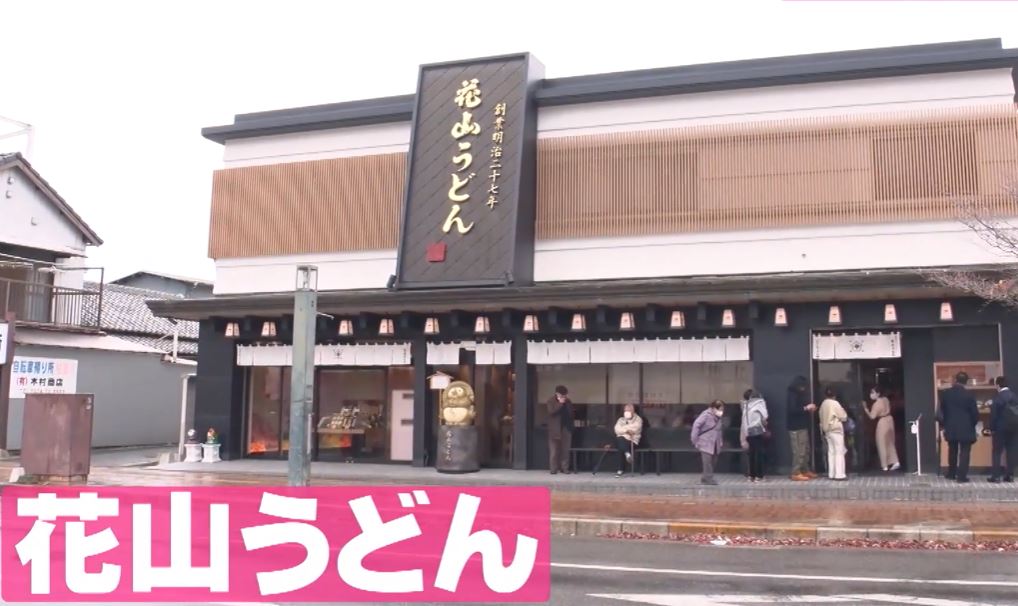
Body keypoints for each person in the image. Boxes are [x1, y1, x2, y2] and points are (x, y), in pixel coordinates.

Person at [938, 372, 980, 483]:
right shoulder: (969, 395)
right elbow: (975, 414)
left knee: (952, 450)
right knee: (965, 452)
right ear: (966, 382)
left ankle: (951, 473)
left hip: (950, 426)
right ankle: (961, 477)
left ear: (955, 380)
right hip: (966, 427)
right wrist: (972, 424)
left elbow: (941, 411)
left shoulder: (946, 394)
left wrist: (944, 424)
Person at [986, 376, 1018, 483]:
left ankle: (996, 476)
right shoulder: (1014, 396)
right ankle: (1010, 475)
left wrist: (991, 428)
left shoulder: (998, 397)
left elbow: (994, 415)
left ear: (998, 385)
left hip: (1000, 428)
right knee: (1011, 451)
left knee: (997, 452)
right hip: (1014, 427)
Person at [786, 376, 817, 481]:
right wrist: (806, 408)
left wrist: (808, 408)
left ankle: (804, 469)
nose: (804, 388)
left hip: (803, 425)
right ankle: (795, 472)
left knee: (805, 449)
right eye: (802, 386)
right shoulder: (792, 394)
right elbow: (792, 410)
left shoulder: (800, 394)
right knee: (798, 450)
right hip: (795, 427)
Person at [863, 385, 901, 472]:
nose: (871, 394)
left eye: (873, 392)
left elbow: (872, 416)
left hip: (882, 422)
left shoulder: (876, 404)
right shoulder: (886, 399)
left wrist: (866, 409)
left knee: (881, 443)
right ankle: (895, 461)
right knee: (890, 442)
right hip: (890, 420)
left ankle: (884, 465)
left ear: (878, 393)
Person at [692, 400, 726, 485]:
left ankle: (705, 477)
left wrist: (720, 442)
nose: (721, 411)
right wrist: (694, 439)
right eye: (720, 409)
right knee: (707, 462)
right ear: (714, 408)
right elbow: (696, 425)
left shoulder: (718, 418)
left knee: (714, 461)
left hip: (715, 443)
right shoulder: (706, 415)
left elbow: (719, 431)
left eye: (722, 409)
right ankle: (708, 478)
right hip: (705, 442)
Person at [819, 387, 848, 481]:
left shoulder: (823, 404)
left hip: (827, 431)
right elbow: (843, 416)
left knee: (831, 452)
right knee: (839, 452)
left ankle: (831, 473)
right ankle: (839, 474)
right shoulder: (835, 403)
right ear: (834, 395)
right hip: (836, 430)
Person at [742, 389, 769, 482]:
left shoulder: (746, 405)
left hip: (748, 431)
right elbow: (765, 416)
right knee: (759, 454)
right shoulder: (760, 404)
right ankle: (759, 476)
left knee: (752, 454)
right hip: (758, 430)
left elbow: (744, 420)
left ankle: (751, 475)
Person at [546, 385, 574, 475]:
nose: (564, 397)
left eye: (565, 395)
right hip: (555, 429)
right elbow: (551, 412)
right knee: (554, 451)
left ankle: (565, 468)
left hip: (566, 428)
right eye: (562, 395)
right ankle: (553, 469)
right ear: (557, 394)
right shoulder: (551, 401)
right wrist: (560, 404)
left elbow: (571, 413)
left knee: (565, 450)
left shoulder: (568, 401)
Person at [613, 403, 643, 477]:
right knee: (621, 441)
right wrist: (626, 431)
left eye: (629, 410)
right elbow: (616, 430)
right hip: (622, 441)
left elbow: (635, 429)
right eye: (625, 410)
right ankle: (627, 454)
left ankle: (620, 470)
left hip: (632, 441)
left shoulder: (638, 419)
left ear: (633, 411)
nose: (626, 412)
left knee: (620, 442)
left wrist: (623, 429)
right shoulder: (621, 419)